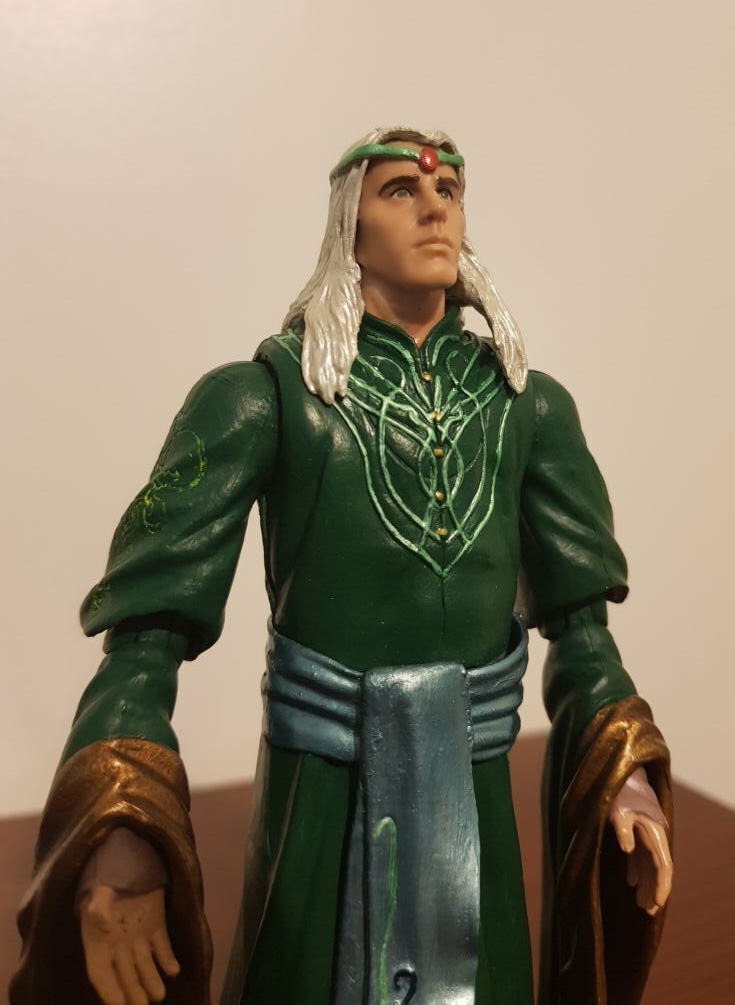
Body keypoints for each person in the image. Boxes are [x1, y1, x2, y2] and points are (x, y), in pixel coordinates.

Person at [12, 128, 673, 1005]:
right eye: (401, 189)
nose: (435, 208)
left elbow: (583, 633)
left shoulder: (529, 409)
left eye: (449, 192)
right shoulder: (266, 398)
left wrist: (625, 775)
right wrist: (120, 827)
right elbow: (144, 642)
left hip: (474, 804)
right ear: (348, 227)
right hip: (322, 799)